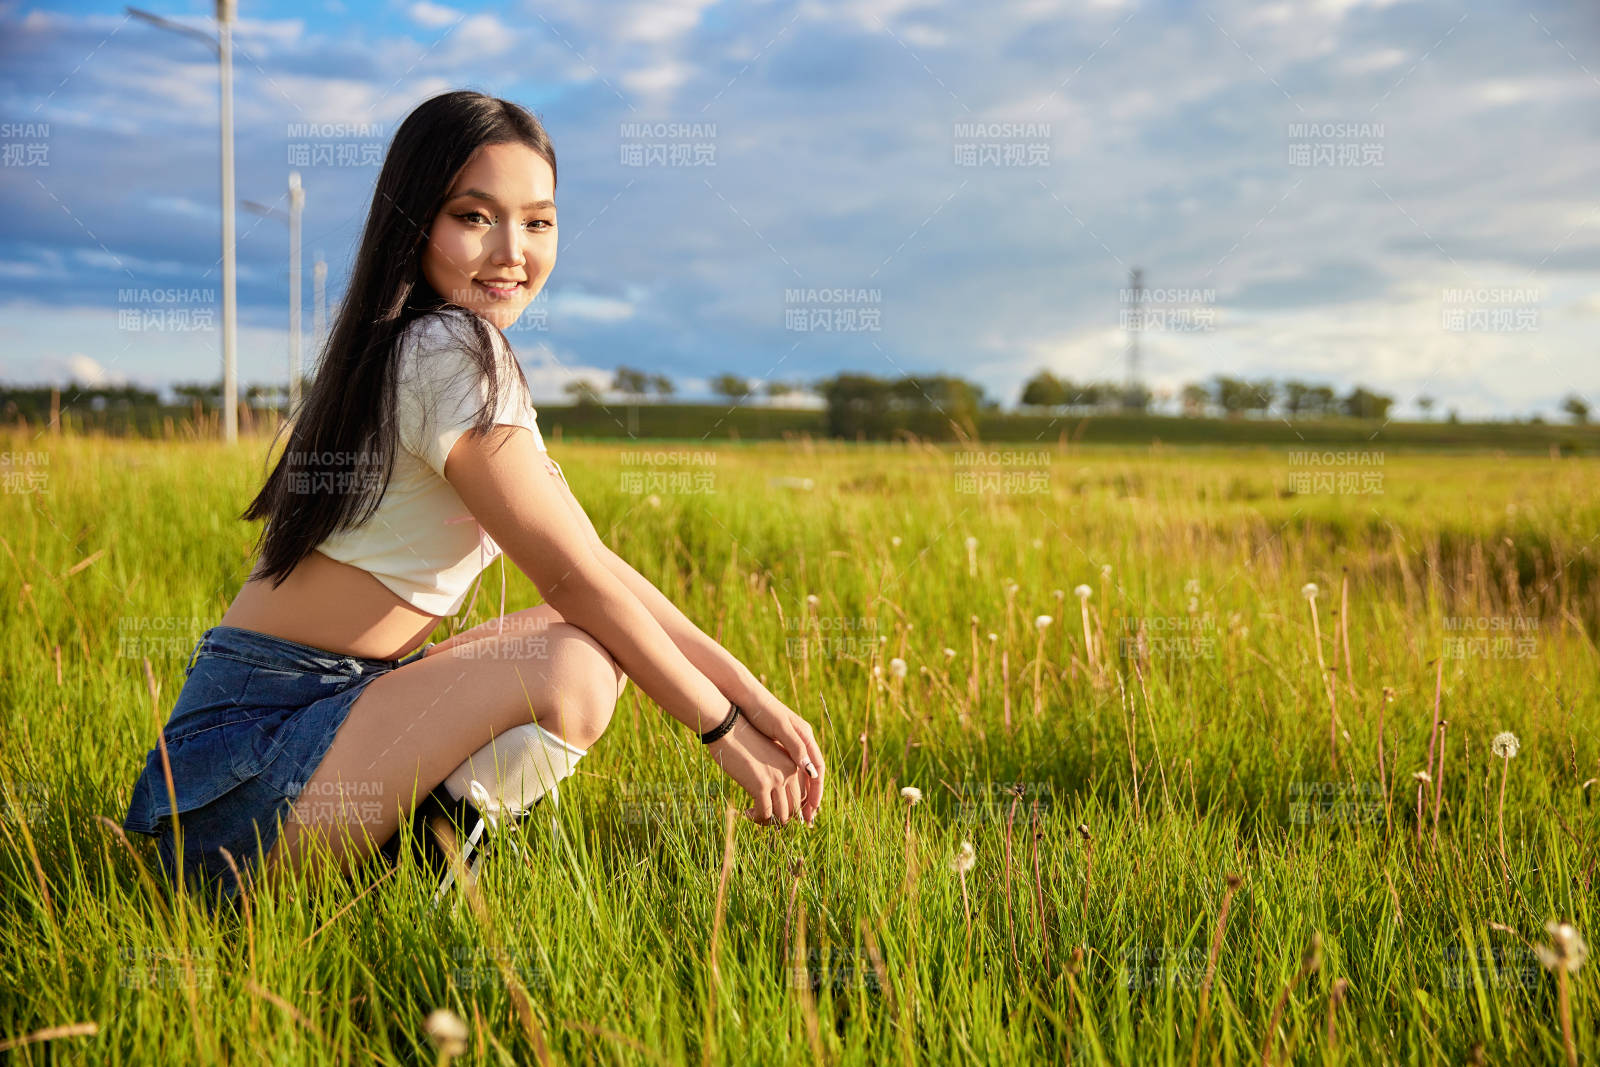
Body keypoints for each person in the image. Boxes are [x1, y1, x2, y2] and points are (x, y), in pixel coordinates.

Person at [119, 90, 826, 909]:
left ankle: (411, 868)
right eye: (475, 216)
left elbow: (598, 568)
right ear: (415, 221)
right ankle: (426, 872)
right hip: (245, 775)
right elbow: (573, 580)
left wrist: (751, 697)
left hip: (279, 741)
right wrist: (723, 732)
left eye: (538, 221)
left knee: (585, 640)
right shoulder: (448, 350)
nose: (512, 251)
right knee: (574, 662)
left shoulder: (439, 349)